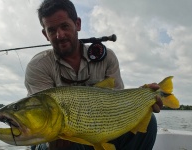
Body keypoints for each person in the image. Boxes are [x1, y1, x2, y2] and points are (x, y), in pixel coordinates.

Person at [24, 0, 163, 149]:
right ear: (45, 34)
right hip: (50, 140)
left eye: (65, 26)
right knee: (70, 140)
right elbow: (40, 118)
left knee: (150, 121)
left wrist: (142, 98)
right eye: (52, 30)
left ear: (77, 24)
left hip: (99, 130)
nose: (60, 35)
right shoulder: (38, 66)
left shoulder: (107, 57)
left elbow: (117, 105)